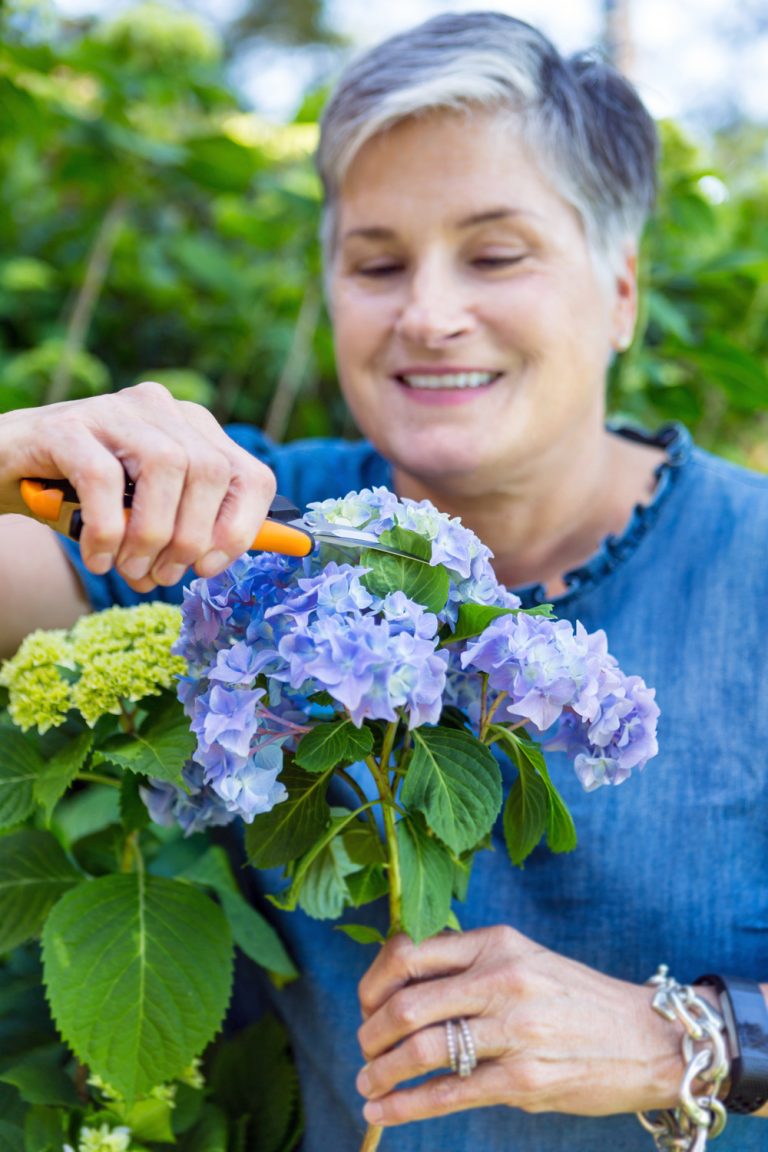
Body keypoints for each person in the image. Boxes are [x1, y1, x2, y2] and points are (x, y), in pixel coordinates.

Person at [1, 11, 767, 1151]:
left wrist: (690, 1038)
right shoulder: (249, 532)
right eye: (376, 262)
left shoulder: (748, 571)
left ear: (620, 288)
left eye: (496, 254)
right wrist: (10, 453)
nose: (427, 312)